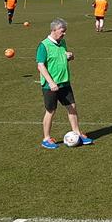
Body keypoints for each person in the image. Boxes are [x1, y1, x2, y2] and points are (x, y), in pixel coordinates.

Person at [36, 18, 92, 149]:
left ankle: (77, 132)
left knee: (72, 107)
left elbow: (63, 57)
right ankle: (46, 138)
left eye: (65, 31)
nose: (64, 34)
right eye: (62, 31)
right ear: (54, 30)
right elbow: (40, 66)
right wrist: (51, 82)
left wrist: (70, 56)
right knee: (51, 111)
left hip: (64, 82)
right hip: (51, 85)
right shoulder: (43, 45)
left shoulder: (62, 42)